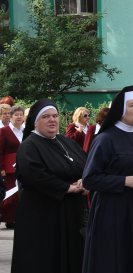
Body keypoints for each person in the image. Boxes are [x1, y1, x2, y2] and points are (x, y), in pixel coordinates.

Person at [82, 85, 133, 273]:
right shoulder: (105, 139)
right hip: (111, 211)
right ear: (120, 110)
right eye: (132, 105)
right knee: (114, 260)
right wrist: (124, 181)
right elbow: (89, 179)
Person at [11, 99, 87, 273]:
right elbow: (35, 175)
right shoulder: (29, 146)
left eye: (55, 116)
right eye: (46, 117)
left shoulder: (66, 141)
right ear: (35, 122)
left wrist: (85, 181)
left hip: (71, 212)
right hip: (42, 215)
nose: (52, 120)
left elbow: (86, 164)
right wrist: (67, 188)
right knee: (46, 259)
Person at [0, 105, 24, 228]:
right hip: (9, 168)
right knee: (11, 193)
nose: (19, 117)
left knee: (22, 193)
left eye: (21, 114)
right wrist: (1, 168)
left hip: (24, 167)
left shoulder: (25, 131)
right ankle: (9, 219)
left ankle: (19, 217)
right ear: (11, 117)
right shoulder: (4, 131)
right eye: (16, 115)